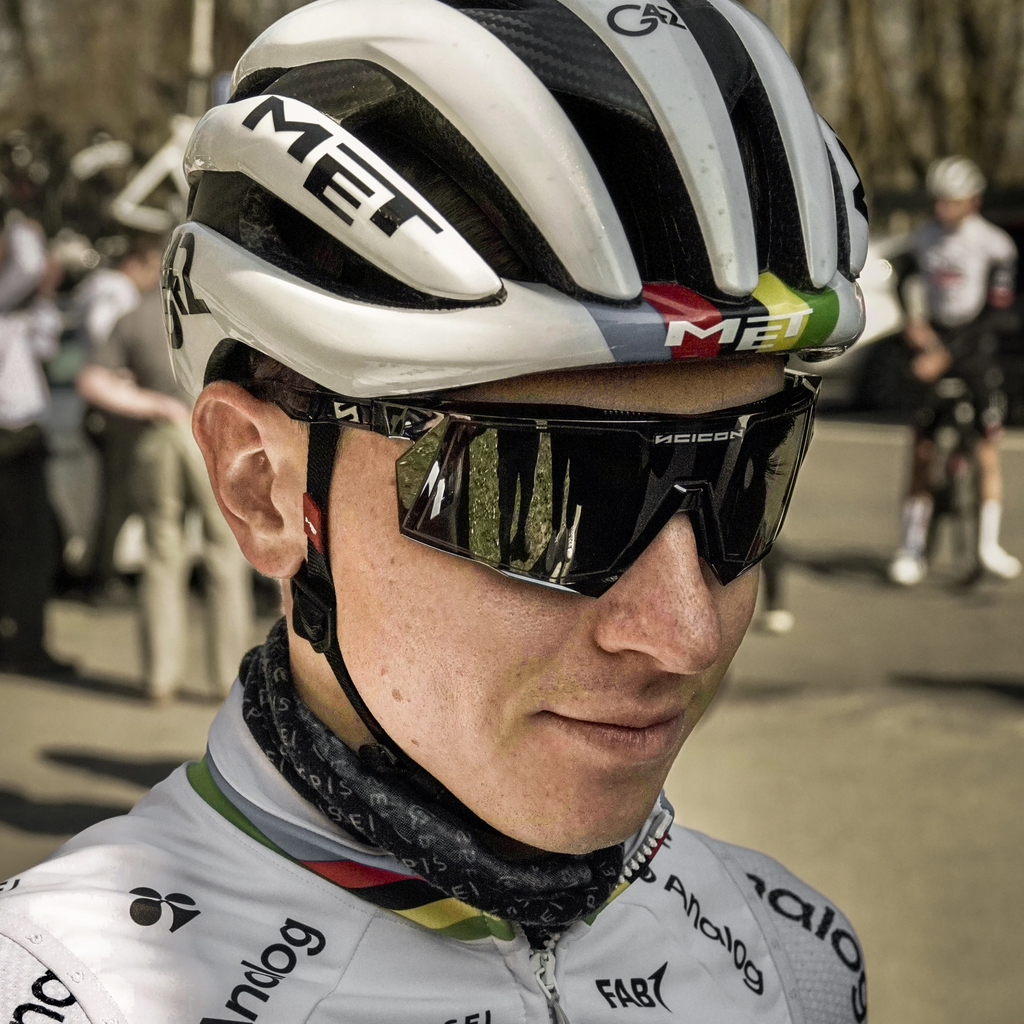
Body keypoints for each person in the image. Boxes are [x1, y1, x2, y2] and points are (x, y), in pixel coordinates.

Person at [0, 2, 871, 1020]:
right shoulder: (69, 990)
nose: (686, 632)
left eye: (750, 476)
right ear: (261, 486)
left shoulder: (798, 954)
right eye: (537, 498)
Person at [76, 268, 253, 700]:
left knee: (160, 555)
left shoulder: (136, 315)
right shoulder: (224, 311)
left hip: (158, 436)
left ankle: (159, 678)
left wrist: (149, 403)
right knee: (225, 554)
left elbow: (92, 381)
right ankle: (227, 678)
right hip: (216, 437)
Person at [889, 156, 1021, 586]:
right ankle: (911, 547)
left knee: (986, 445)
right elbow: (902, 280)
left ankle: (987, 545)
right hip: (937, 339)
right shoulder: (924, 238)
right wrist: (913, 322)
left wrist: (945, 354)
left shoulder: (995, 245)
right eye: (938, 201)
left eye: (952, 201)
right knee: (923, 447)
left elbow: (999, 314)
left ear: (973, 200)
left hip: (975, 345)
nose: (942, 209)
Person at [74, 234, 165, 601]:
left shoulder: (99, 287)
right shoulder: (116, 293)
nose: (155, 278)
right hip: (116, 408)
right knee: (117, 496)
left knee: (116, 495)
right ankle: (103, 578)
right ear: (135, 262)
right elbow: (106, 341)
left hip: (110, 406)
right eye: (152, 268)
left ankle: (102, 573)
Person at [0, 215, 67, 676]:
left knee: (29, 545)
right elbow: (27, 263)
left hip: (22, 436)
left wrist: (43, 294)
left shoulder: (13, 306)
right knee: (28, 545)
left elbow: (45, 342)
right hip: (11, 439)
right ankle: (24, 645)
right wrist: (21, 221)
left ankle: (24, 640)